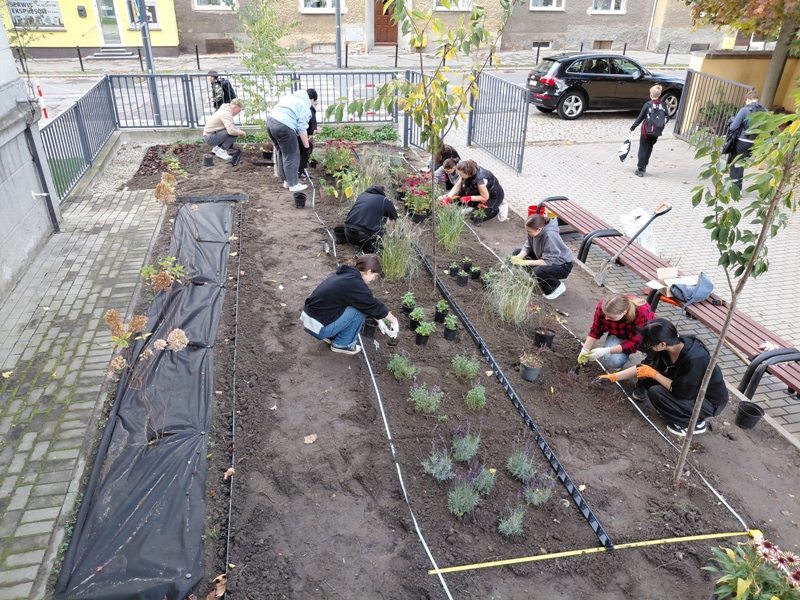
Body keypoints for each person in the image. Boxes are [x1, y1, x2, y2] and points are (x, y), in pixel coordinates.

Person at [594, 318, 729, 437]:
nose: (648, 347)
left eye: (650, 344)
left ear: (663, 344)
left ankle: (693, 423)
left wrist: (654, 374)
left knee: (656, 393)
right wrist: (612, 377)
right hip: (684, 387)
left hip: (707, 401)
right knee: (649, 378)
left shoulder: (696, 360)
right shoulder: (667, 347)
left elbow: (681, 392)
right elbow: (643, 369)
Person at [301, 254, 399, 356]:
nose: (374, 279)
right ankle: (342, 344)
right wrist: (394, 321)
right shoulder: (355, 284)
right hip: (318, 328)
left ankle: (332, 335)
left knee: (356, 306)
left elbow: (366, 303)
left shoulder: (346, 275)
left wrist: (379, 320)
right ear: (368, 271)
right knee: (358, 312)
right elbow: (373, 305)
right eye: (375, 276)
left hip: (310, 321)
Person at [578, 294, 655, 370]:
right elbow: (596, 329)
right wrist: (585, 350)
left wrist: (606, 350)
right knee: (611, 361)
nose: (606, 318)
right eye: (605, 315)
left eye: (611, 317)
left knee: (654, 358)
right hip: (619, 333)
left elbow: (633, 344)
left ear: (624, 313)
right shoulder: (604, 307)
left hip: (643, 337)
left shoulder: (642, 313)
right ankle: (620, 356)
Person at [510, 213, 573, 300]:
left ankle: (555, 287)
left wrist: (525, 262)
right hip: (545, 258)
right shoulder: (533, 232)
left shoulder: (550, 235)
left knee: (539, 271)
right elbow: (528, 246)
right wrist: (519, 256)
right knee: (517, 252)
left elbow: (547, 261)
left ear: (539, 229)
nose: (527, 233)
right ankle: (536, 277)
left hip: (562, 265)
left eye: (529, 231)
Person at [266, 88, 317, 192]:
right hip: (284, 126)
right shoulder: (305, 106)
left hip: (270, 122)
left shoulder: (290, 97)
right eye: (314, 102)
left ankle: (286, 181)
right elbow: (302, 129)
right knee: (292, 155)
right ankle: (293, 184)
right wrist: (307, 147)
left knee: (281, 151)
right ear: (311, 100)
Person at [439, 159, 508, 222]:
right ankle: (474, 207)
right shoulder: (468, 171)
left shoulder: (480, 181)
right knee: (460, 201)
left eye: (461, 175)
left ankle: (500, 209)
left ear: (468, 173)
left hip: (493, 196)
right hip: (478, 193)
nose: (460, 176)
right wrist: (448, 197)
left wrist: (469, 198)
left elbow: (485, 197)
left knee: (476, 217)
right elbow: (457, 186)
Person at [728, 90, 767, 190]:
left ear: (748, 100)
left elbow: (733, 127)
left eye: (746, 101)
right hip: (754, 143)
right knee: (742, 163)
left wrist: (731, 122)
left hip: (742, 141)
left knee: (736, 165)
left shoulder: (745, 110)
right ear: (757, 99)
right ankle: (737, 187)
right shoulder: (765, 111)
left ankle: (736, 191)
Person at [344, 185, 398, 253]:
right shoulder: (384, 200)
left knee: (366, 225)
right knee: (387, 234)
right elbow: (395, 220)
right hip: (365, 237)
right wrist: (392, 208)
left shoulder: (362, 195)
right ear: (382, 192)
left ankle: (362, 251)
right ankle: (370, 253)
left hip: (348, 233)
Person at [629, 85, 667, 177]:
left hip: (646, 131)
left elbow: (640, 118)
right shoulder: (663, 105)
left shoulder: (648, 105)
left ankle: (640, 169)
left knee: (643, 148)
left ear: (651, 94)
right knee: (649, 148)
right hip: (657, 131)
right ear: (660, 94)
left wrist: (632, 128)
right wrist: (660, 124)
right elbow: (667, 117)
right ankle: (645, 165)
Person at [297, 96, 319, 181]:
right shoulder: (310, 110)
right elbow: (309, 130)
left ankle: (300, 169)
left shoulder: (302, 107)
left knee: (303, 148)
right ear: (313, 103)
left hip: (293, 133)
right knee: (308, 147)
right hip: (297, 134)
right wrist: (317, 131)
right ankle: (300, 171)